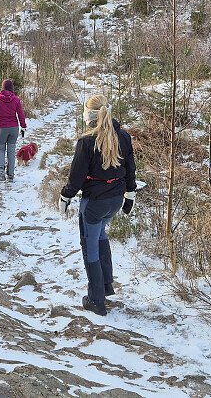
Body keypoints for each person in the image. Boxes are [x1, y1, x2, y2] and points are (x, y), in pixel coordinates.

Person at [57, 94, 136, 316]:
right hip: (115, 201)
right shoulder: (124, 136)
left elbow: (76, 176)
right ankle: (106, 285)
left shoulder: (87, 142)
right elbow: (131, 168)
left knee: (89, 246)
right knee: (101, 235)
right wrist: (130, 195)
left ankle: (96, 300)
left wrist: (66, 196)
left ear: (89, 116)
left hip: (94, 204)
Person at [0, 79, 27, 182]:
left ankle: (1, 173)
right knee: (11, 151)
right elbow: (21, 114)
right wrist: (23, 126)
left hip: (2, 129)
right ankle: (11, 175)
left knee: (0, 149)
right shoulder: (16, 100)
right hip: (14, 128)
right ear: (12, 88)